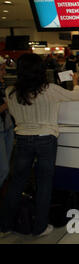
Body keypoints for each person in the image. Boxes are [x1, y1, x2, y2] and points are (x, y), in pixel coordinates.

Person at [0, 53, 79, 237]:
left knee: (16, 183)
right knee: (44, 183)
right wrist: (76, 81)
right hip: (46, 139)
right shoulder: (49, 89)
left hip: (22, 140)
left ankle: (4, 226)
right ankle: (40, 227)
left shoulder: (10, 92)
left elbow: (13, 113)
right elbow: (76, 96)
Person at [0, 57, 14, 189]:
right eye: (2, 69)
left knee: (6, 167)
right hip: (2, 128)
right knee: (3, 169)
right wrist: (10, 102)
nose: (4, 72)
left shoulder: (2, 84)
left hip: (7, 126)